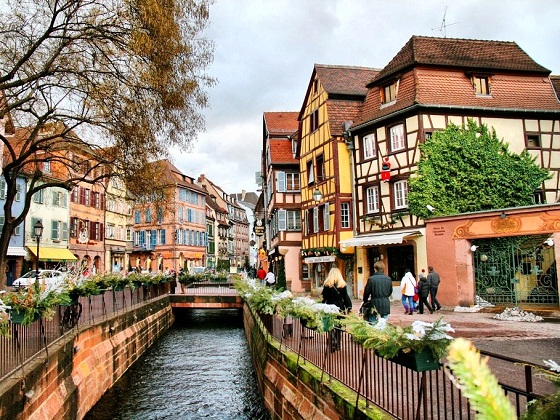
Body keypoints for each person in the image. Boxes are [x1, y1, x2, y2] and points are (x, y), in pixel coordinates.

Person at [321, 267, 352, 352]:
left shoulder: (327, 284)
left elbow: (324, 298)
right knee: (338, 326)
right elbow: (346, 298)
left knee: (331, 325)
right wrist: (348, 308)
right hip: (339, 307)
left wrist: (322, 306)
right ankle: (337, 344)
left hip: (329, 307)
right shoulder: (342, 284)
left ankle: (332, 340)